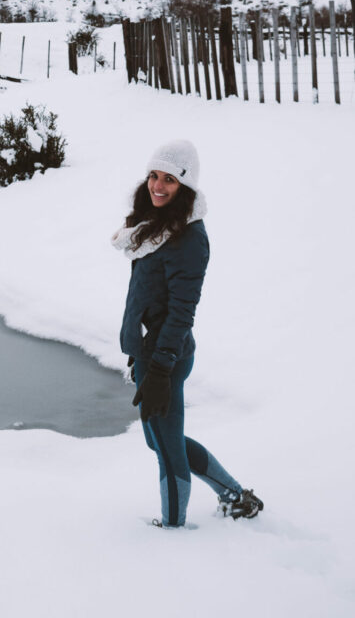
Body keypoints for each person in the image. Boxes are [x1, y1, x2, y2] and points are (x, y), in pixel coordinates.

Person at [111, 139, 263, 529]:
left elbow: (181, 313)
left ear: (186, 187)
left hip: (167, 356)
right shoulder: (156, 228)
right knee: (161, 441)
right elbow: (148, 297)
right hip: (152, 354)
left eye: (170, 181)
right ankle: (236, 497)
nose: (158, 187)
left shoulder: (188, 239)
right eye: (153, 176)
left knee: (165, 447)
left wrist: (160, 369)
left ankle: (174, 529)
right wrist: (138, 351)